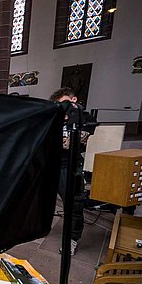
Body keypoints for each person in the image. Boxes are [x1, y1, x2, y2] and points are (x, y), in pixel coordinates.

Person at [49, 87, 97, 255]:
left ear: (73, 100)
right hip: (49, 164)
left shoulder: (84, 118)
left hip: (68, 167)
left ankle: (72, 240)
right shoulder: (54, 118)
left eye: (62, 104)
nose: (59, 108)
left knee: (73, 205)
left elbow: (74, 142)